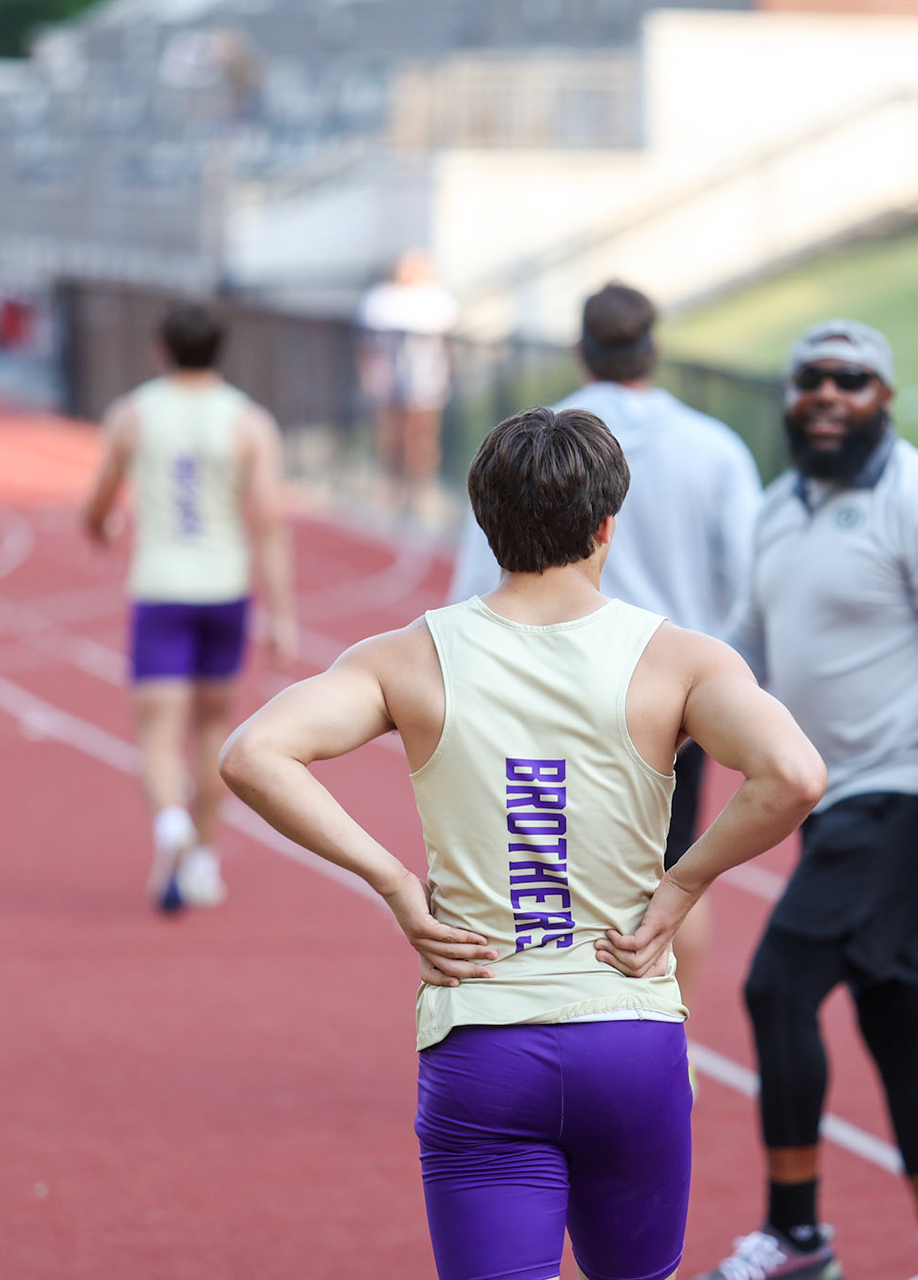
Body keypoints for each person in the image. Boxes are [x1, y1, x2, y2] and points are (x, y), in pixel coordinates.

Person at [219, 406, 826, 1280]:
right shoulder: (680, 659)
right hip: (628, 1029)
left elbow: (252, 756)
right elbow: (794, 776)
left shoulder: (407, 657)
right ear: (608, 525)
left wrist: (392, 882)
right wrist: (682, 885)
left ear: (483, 520)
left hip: (483, 1037)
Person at [694, 321, 918, 1280]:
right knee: (898, 1020)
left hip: (904, 797)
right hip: (830, 806)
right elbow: (745, 650)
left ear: (885, 396)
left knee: (775, 990)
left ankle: (797, 1235)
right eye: (812, 379)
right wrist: (667, 715)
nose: (829, 395)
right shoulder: (781, 505)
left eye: (854, 380)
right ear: (791, 394)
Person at [448, 281, 763, 1010]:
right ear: (653, 346)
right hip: (672, 693)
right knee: (671, 865)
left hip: (542, 675)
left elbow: (475, 574)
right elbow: (753, 581)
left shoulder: (526, 449)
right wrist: (728, 683)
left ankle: (546, 1011)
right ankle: (663, 1021)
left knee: (541, 856)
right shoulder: (714, 449)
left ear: (579, 350)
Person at [82, 303, 297, 914]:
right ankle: (203, 859)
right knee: (211, 731)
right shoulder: (249, 422)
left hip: (161, 589)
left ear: (159, 349)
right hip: (225, 591)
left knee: (155, 731)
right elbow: (270, 523)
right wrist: (282, 615)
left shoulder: (133, 415)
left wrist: (101, 528)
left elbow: (97, 503)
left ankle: (172, 827)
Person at [357, 249, 459, 516]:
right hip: (389, 381)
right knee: (392, 435)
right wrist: (368, 373)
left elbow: (448, 344)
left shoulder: (436, 300)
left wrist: (451, 373)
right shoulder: (382, 300)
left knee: (422, 437)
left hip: (426, 382)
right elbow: (367, 345)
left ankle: (420, 488)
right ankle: (393, 485)